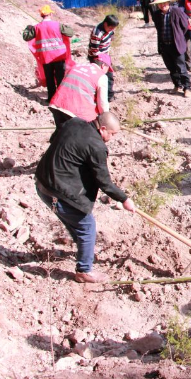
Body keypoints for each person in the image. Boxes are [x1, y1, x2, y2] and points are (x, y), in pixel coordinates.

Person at [35, 112, 135, 284]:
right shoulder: (97, 146)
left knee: (77, 224)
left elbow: (56, 141)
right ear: (102, 128)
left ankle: (84, 249)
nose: (111, 138)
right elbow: (104, 182)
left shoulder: (73, 122)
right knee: (87, 226)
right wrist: (124, 199)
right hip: (57, 191)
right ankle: (84, 271)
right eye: (112, 134)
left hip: (42, 182)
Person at [23, 4, 74, 102]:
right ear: (50, 14)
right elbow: (70, 33)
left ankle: (51, 98)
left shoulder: (36, 28)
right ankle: (61, 99)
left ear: (41, 15)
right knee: (60, 78)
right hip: (59, 57)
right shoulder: (58, 25)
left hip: (46, 58)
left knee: (49, 79)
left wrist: (28, 28)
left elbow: (26, 37)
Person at [48, 54, 114, 128]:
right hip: (76, 113)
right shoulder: (101, 76)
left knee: (61, 135)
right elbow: (102, 103)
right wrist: (106, 121)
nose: (106, 72)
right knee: (77, 137)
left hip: (57, 105)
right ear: (103, 65)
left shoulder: (77, 66)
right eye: (108, 69)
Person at [151, 0, 191, 97]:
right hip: (164, 45)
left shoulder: (177, 11)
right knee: (171, 68)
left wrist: (178, 37)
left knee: (181, 68)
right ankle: (177, 85)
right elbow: (158, 29)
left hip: (176, 45)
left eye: (164, 3)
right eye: (160, 3)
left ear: (168, 2)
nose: (162, 5)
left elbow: (185, 26)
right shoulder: (156, 15)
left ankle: (187, 87)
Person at [88, 14, 119, 101]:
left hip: (105, 55)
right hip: (97, 57)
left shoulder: (110, 30)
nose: (112, 30)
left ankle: (109, 96)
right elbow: (94, 51)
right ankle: (98, 98)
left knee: (109, 76)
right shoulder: (97, 33)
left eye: (113, 28)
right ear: (105, 24)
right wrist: (102, 61)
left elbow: (112, 34)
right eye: (110, 28)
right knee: (99, 78)